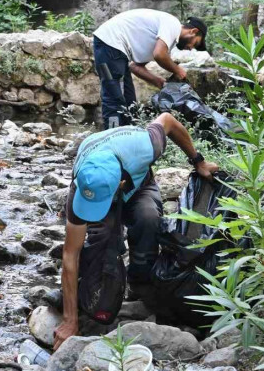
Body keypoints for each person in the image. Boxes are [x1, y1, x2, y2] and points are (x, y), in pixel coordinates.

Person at [52, 113, 219, 350]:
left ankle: (140, 286)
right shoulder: (83, 186)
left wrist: (198, 161)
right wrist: (70, 320)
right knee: (102, 239)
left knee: (148, 219)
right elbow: (70, 254)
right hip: (102, 180)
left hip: (139, 185)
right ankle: (88, 287)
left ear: (119, 185)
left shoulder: (145, 145)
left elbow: (168, 120)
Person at [92, 9, 208, 129]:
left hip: (120, 53)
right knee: (114, 98)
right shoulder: (173, 24)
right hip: (109, 44)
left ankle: (128, 136)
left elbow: (135, 66)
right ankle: (112, 137)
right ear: (193, 31)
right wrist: (177, 70)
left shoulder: (164, 41)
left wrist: (158, 81)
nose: (190, 48)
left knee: (130, 102)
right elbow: (159, 55)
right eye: (195, 44)